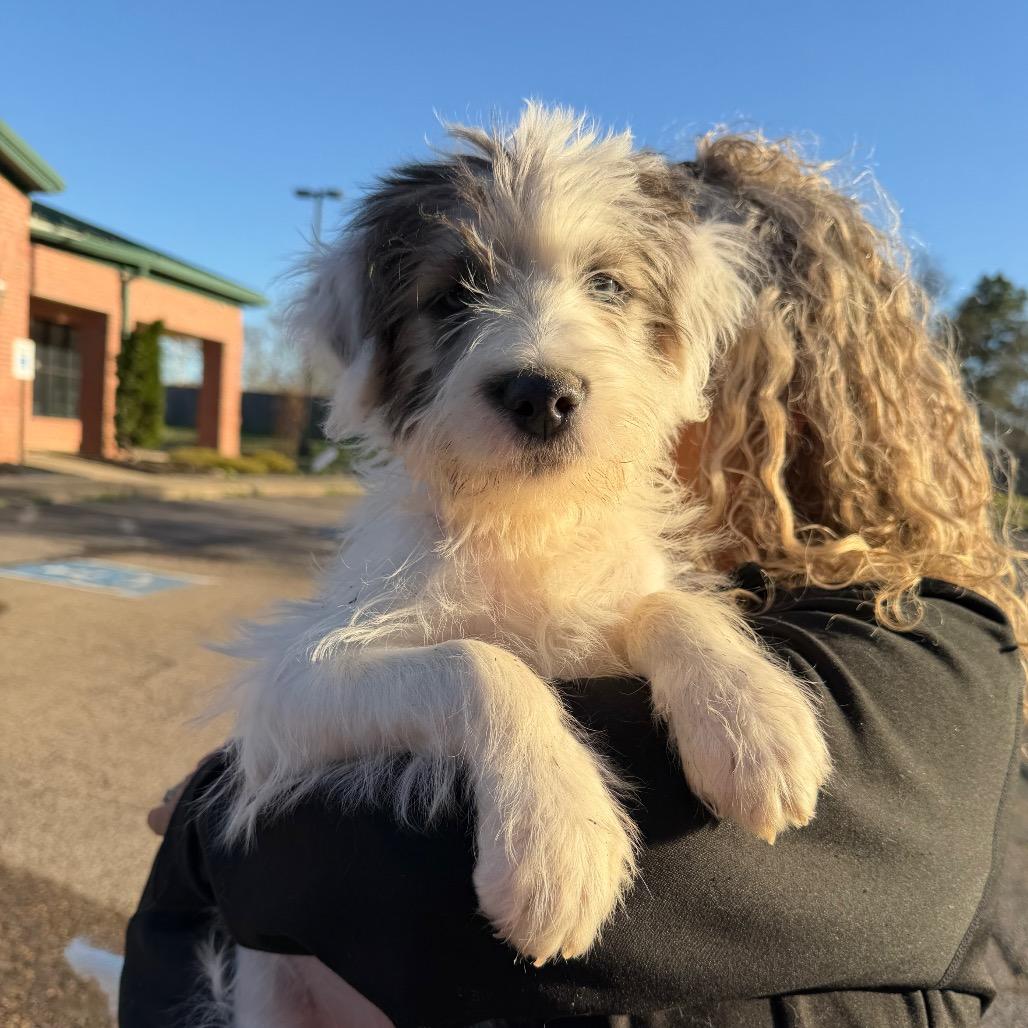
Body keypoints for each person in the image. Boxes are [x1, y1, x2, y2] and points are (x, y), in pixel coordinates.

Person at [120, 134, 1025, 1028]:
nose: (540, 351)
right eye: (454, 296)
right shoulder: (411, 545)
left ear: (690, 342)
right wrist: (491, 702)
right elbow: (299, 700)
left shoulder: (930, 651)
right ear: (370, 347)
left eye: (609, 286)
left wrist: (687, 641)